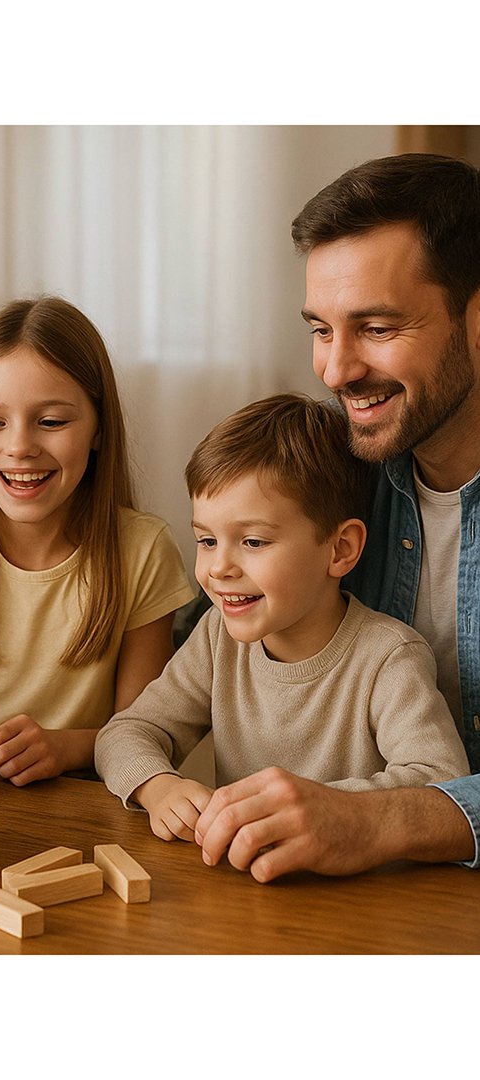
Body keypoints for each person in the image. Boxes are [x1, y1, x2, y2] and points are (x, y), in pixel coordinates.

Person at [195, 153, 480, 881]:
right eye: (321, 329)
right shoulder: (329, 469)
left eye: (376, 327)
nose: (334, 370)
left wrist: (373, 818)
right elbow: (208, 635)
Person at [95, 393, 469, 836]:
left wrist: (325, 809)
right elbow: (125, 732)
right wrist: (156, 786)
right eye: (207, 540)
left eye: (253, 542)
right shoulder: (219, 637)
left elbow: (442, 783)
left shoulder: (389, 657)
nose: (219, 569)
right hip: (247, 886)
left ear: (340, 549)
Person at [0, 295, 194, 785]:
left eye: (51, 422)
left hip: (83, 812)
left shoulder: (141, 549)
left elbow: (150, 733)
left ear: (98, 427)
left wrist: (65, 746)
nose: (19, 448)